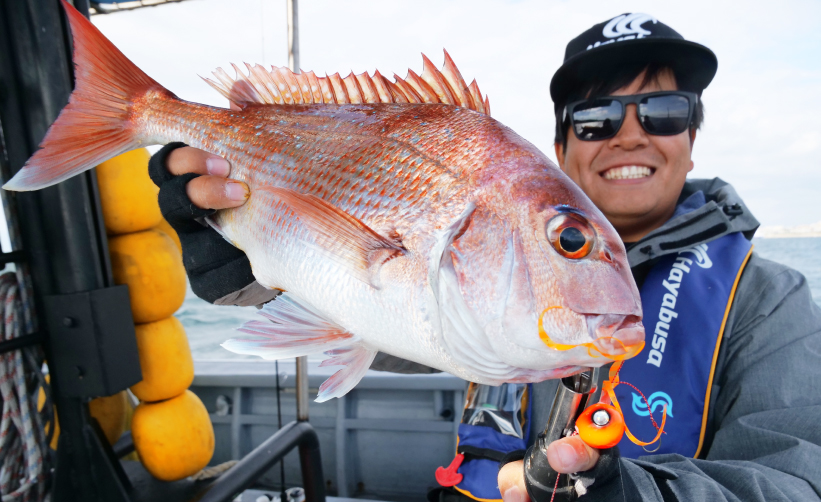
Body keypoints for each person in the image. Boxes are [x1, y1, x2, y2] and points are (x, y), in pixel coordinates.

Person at [149, 13, 821, 502]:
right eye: (594, 119)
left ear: (691, 137)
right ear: (560, 148)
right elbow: (380, 312)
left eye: (664, 111)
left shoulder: (768, 300)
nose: (628, 134)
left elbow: (798, 481)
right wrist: (244, 271)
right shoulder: (478, 292)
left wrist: (631, 494)